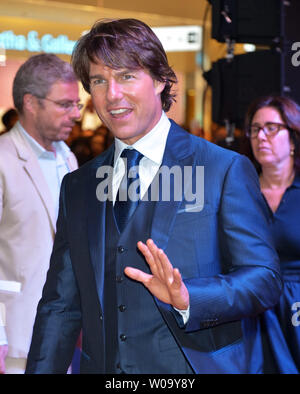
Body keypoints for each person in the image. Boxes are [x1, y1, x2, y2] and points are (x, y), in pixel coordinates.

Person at [26, 19, 282, 374]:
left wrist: (190, 298)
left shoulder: (222, 169)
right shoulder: (79, 186)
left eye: (127, 76)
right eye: (99, 80)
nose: (112, 94)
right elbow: (60, 305)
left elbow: (264, 280)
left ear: (161, 79)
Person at [0, 53, 80, 374]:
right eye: (65, 104)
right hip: (15, 341)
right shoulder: (4, 159)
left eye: (78, 104)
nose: (76, 114)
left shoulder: (68, 158)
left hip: (62, 337)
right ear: (31, 103)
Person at [245, 95, 300, 373]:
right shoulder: (239, 192)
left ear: (292, 138)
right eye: (255, 129)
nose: (261, 136)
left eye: (271, 128)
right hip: (250, 311)